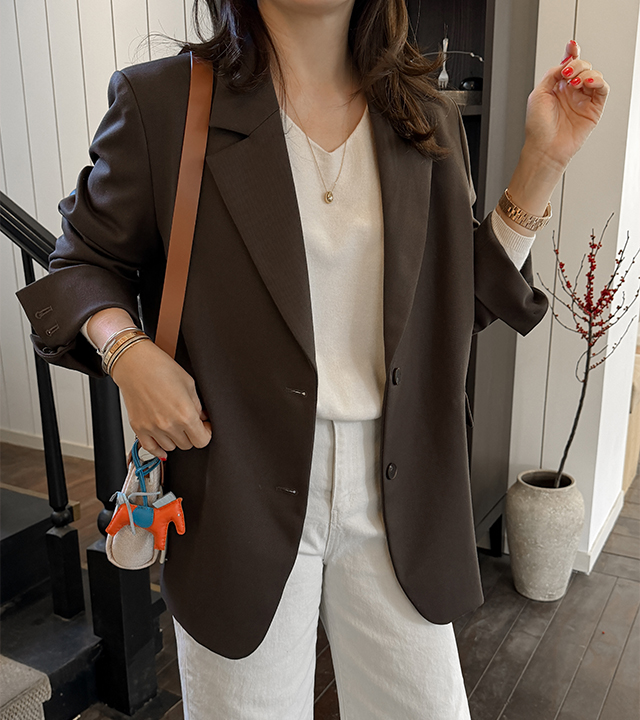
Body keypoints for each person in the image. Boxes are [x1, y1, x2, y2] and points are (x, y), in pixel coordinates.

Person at [16, 0, 609, 718]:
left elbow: (456, 308)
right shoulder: (166, 103)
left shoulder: (424, 114)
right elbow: (79, 264)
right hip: (236, 485)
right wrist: (127, 351)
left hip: (399, 488)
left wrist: (543, 161)